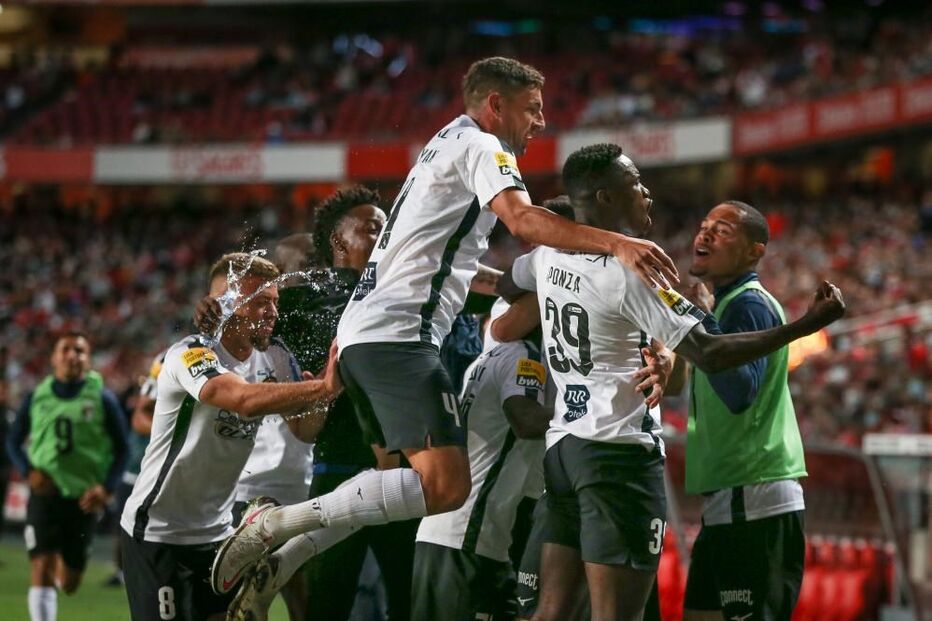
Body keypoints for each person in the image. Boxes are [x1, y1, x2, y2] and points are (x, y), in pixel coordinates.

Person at [211, 56, 683, 595]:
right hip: (399, 337)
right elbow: (524, 220)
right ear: (495, 105)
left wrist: (512, 284)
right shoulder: (485, 147)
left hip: (370, 334)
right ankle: (273, 526)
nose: (542, 121)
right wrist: (618, 243)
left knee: (396, 478)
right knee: (447, 485)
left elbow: (455, 262)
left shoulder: (444, 142)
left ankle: (286, 555)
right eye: (532, 109)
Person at [497, 143, 845, 621]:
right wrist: (805, 326)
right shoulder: (635, 272)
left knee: (550, 612)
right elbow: (710, 352)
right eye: (635, 185)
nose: (647, 194)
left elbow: (507, 284)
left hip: (565, 449)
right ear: (604, 199)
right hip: (617, 456)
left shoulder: (547, 256)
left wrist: (661, 354)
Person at [120, 253, 340, 621]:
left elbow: (305, 431)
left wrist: (326, 382)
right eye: (260, 301)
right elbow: (241, 401)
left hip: (219, 536)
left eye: (274, 301)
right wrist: (322, 389)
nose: (272, 311)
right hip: (159, 532)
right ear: (227, 304)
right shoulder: (190, 354)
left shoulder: (275, 356)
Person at [681, 201, 808, 621]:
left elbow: (739, 392)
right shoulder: (724, 306)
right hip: (731, 497)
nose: (706, 235)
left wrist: (702, 320)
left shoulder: (747, 305)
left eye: (722, 230)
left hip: (754, 495)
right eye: (704, 226)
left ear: (755, 251)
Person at [411, 320, 552, 620]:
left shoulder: (485, 359)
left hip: (450, 534)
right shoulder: (525, 356)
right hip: (469, 538)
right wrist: (585, 414)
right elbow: (525, 419)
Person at [6, 331, 130, 621]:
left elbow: (122, 450)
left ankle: (65, 564)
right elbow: (13, 440)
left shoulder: (103, 398)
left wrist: (106, 488)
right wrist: (28, 472)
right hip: (44, 493)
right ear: (54, 357)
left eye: (80, 350)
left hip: (84, 498)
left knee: (70, 584)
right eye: (66, 350)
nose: (73, 355)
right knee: (41, 566)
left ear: (88, 360)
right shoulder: (38, 395)